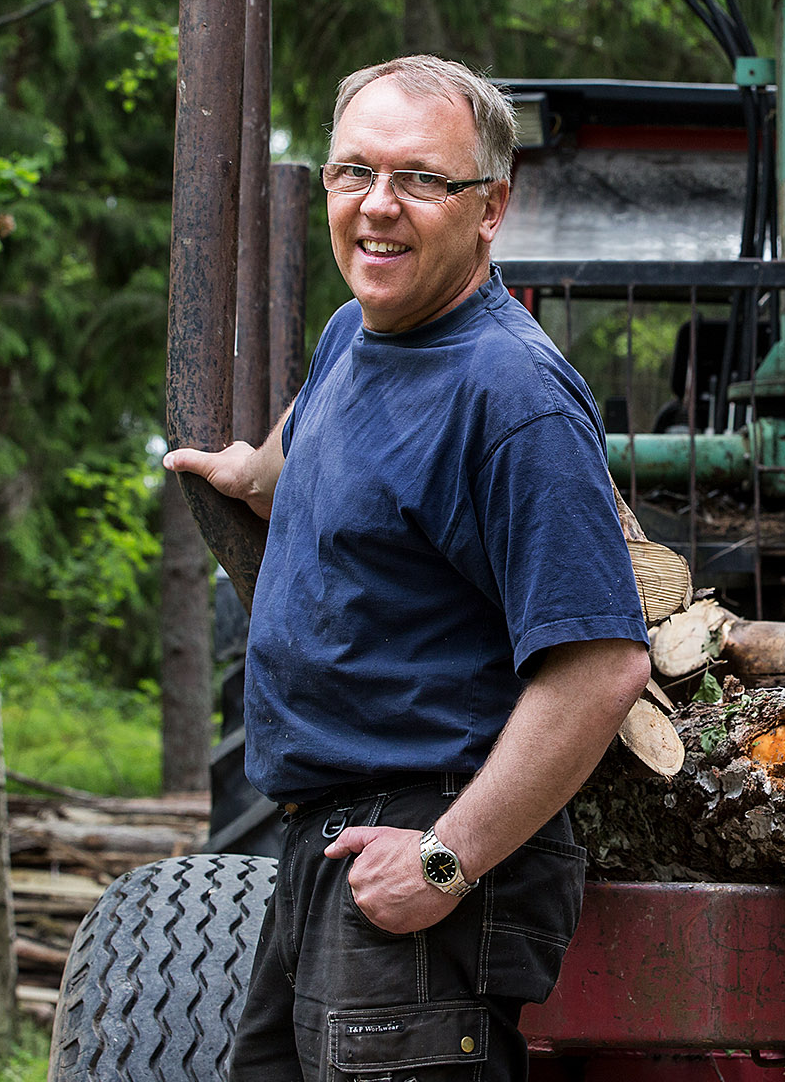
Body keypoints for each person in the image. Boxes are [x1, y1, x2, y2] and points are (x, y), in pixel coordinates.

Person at [164, 55, 652, 1082]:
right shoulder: (359, 330)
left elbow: (603, 665)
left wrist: (446, 858)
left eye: (421, 180)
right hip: (324, 851)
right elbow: (318, 432)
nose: (377, 207)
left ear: (490, 209)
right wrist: (252, 470)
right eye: (355, 173)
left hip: (417, 851)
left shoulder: (511, 397)